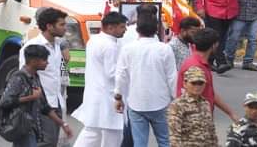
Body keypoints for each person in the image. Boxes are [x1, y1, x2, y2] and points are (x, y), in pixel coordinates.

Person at [113, 13, 176, 147]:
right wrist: (176, 99)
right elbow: (172, 77)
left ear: (137, 29)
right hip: (161, 102)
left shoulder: (128, 49)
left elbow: (121, 76)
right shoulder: (165, 49)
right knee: (165, 141)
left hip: (136, 103)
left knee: (139, 143)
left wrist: (118, 97)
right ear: (157, 29)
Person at [1, 44, 73, 147]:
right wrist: (31, 97)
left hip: (32, 128)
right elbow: (4, 101)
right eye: (44, 60)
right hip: (22, 128)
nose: (47, 63)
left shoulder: (35, 77)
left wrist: (63, 124)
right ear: (34, 61)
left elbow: (44, 106)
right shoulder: (19, 78)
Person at [72, 12, 127, 147]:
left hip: (95, 94)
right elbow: (112, 73)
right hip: (108, 97)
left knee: (92, 133)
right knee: (113, 135)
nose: (125, 30)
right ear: (110, 28)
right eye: (122, 27)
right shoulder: (110, 46)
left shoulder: (94, 40)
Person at [19, 7, 68, 147]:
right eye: (61, 25)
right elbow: (24, 75)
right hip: (40, 103)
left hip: (56, 100)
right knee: (45, 141)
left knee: (51, 142)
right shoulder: (33, 46)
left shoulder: (57, 46)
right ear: (49, 26)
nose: (65, 28)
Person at [175, 28, 239, 121]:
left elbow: (210, 92)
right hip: (195, 122)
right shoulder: (196, 67)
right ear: (214, 45)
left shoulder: (197, 62)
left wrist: (231, 113)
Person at [167, 67, 217, 147]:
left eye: (200, 83)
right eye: (193, 83)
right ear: (185, 84)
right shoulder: (178, 105)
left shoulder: (205, 103)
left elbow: (211, 133)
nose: (197, 86)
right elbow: (174, 138)